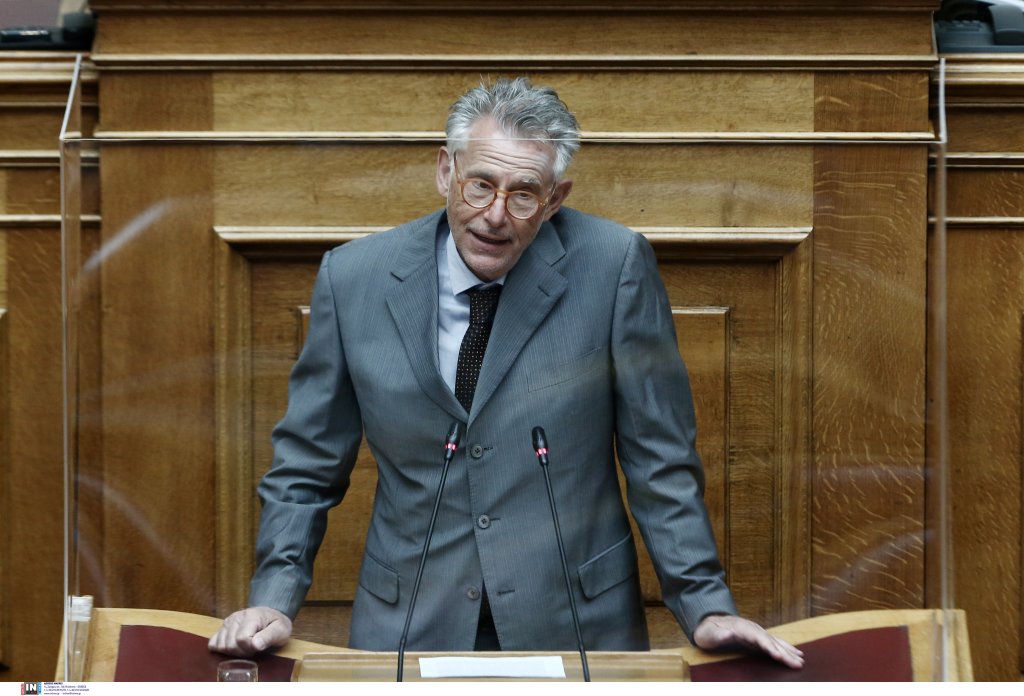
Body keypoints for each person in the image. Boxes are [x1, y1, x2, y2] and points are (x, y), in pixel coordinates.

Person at [209, 77, 804, 669]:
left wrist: (705, 604)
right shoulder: (353, 278)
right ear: (445, 171)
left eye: (523, 195)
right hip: (410, 621)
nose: (495, 215)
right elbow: (307, 464)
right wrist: (274, 597)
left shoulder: (614, 266)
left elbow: (660, 458)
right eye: (480, 185)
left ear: (555, 199)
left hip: (576, 623)